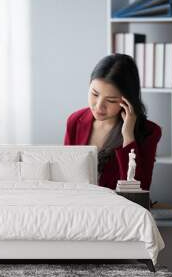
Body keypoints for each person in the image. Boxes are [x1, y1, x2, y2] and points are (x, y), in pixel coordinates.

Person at [64, 54, 162, 190]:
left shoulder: (149, 132)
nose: (99, 106)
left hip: (120, 208)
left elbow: (140, 188)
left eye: (111, 100)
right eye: (94, 94)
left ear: (127, 100)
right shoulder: (75, 121)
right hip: (80, 205)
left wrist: (128, 136)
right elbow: (66, 175)